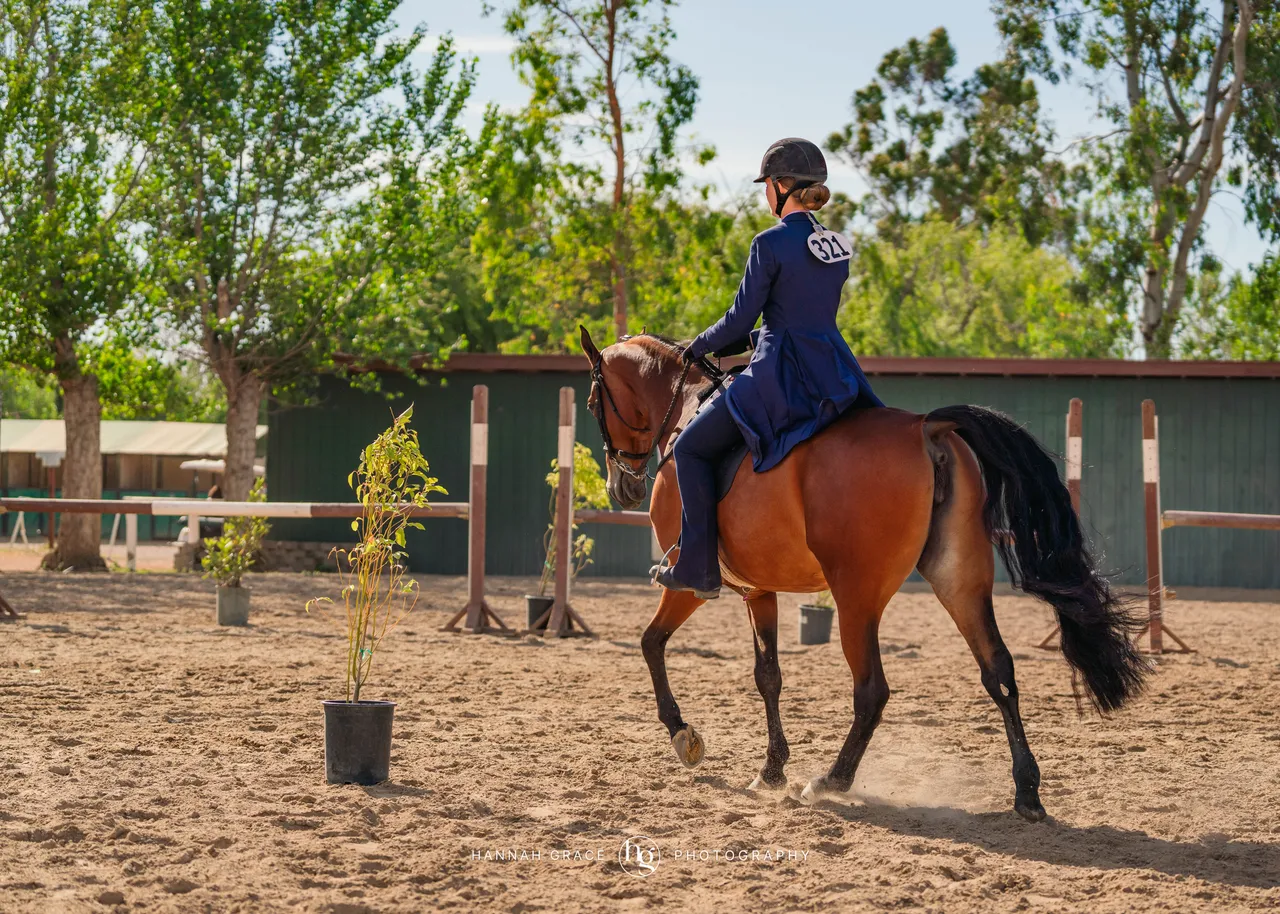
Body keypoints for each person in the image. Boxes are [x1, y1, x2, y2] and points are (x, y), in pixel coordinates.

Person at [653, 137, 883, 600]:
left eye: (767, 186)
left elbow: (742, 318)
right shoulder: (835, 246)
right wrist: (752, 336)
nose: (764, 195)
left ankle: (698, 567)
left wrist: (698, 346)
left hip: (780, 369)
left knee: (691, 449)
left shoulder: (769, 243)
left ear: (780, 187)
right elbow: (801, 311)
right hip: (832, 367)